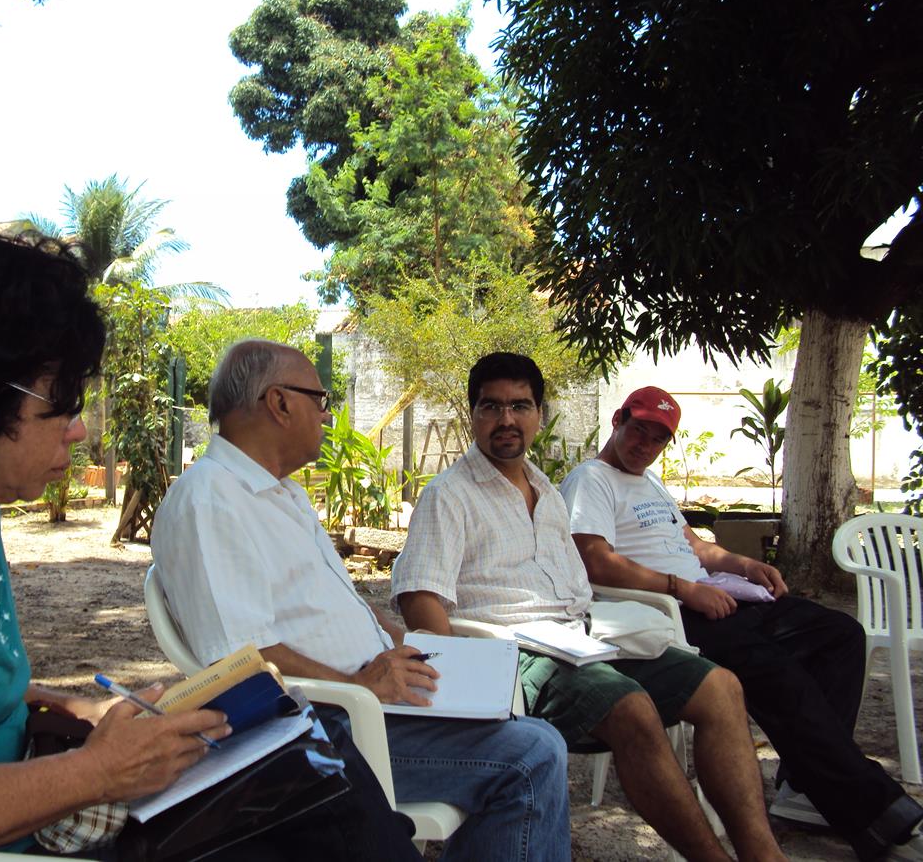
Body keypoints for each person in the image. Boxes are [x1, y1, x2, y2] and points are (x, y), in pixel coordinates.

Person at [0, 236, 418, 862]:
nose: (78, 431)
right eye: (61, 403)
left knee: (310, 757)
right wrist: (100, 770)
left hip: (0, 812)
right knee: (315, 801)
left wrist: (78, 710)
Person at [151, 339, 571, 862]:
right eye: (320, 400)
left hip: (375, 699)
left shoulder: (282, 494)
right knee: (534, 755)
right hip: (332, 724)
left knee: (514, 715)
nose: (327, 416)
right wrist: (357, 685)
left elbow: (343, 606)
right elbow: (238, 660)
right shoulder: (210, 500)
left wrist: (410, 646)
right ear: (280, 403)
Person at [393, 352, 787, 862]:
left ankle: (763, 855)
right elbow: (420, 597)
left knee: (721, 687)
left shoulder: (546, 491)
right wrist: (462, 692)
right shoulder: (449, 496)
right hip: (517, 656)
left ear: (539, 415)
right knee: (632, 708)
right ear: (473, 415)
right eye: (491, 406)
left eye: (520, 406)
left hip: (584, 638)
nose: (506, 419)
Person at [560, 385, 923, 862]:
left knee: (840, 636)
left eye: (657, 438)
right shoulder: (591, 480)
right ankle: (880, 815)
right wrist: (683, 589)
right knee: (778, 674)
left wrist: (743, 564)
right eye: (638, 431)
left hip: (715, 596)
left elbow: (694, 546)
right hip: (670, 612)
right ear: (618, 421)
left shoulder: (650, 483)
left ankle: (803, 787)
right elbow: (595, 561)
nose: (644, 445)